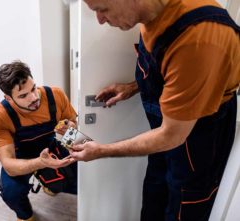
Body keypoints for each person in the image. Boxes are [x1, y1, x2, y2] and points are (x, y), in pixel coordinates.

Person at [70, 0, 240, 220]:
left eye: (102, 10)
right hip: (168, 131)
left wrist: (102, 151)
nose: (100, 20)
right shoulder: (151, 14)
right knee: (155, 191)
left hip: (197, 137)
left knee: (183, 203)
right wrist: (133, 87)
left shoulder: (197, 38)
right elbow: (173, 72)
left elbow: (172, 135)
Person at [0, 61, 77, 221]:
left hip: (49, 146)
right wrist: (41, 163)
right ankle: (25, 216)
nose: (34, 98)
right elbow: (8, 165)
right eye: (23, 96)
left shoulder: (55, 96)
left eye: (33, 88)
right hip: (20, 155)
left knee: (79, 181)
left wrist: (69, 131)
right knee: (11, 193)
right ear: (8, 98)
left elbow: (72, 123)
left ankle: (50, 185)